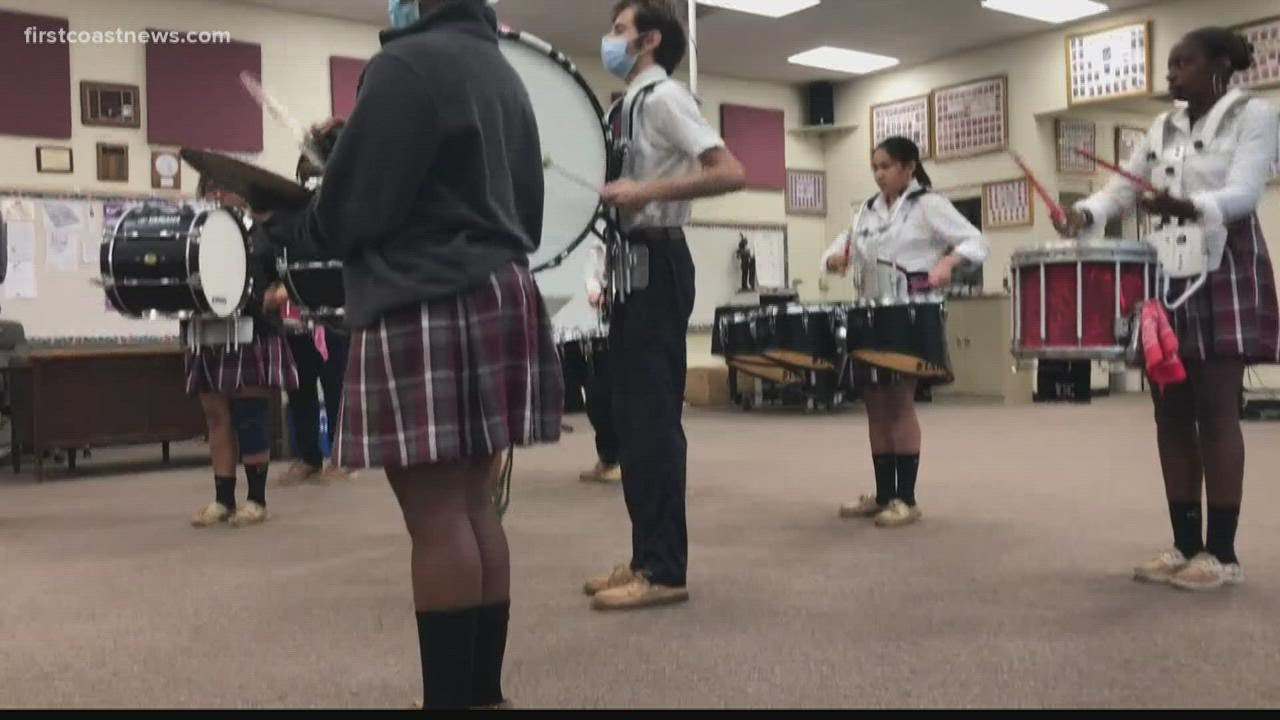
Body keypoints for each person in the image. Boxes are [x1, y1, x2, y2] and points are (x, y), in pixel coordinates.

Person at [263, 0, 561, 708]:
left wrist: (285, 224)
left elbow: (352, 213)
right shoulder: (498, 70)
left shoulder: (405, 63)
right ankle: (481, 696)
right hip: (499, 286)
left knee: (435, 515)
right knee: (473, 504)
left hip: (426, 294)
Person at [1055, 27, 1279, 591]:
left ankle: (1221, 554)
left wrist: (1187, 204)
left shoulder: (1254, 115)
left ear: (1219, 67)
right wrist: (1084, 213)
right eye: (1170, 65)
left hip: (1223, 259)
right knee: (1170, 411)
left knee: (1217, 409)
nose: (1171, 74)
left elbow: (1246, 192)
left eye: (1183, 63)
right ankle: (1184, 544)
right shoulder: (1160, 127)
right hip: (1166, 266)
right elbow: (1121, 191)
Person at [583, 0, 746, 612]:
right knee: (631, 421)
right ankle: (643, 556)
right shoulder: (623, 107)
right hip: (629, 263)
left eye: (619, 30)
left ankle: (665, 569)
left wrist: (647, 190)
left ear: (649, 40)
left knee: (653, 420)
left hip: (659, 259)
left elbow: (729, 171)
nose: (610, 39)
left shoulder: (665, 99)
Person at [820, 136, 988, 528]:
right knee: (874, 403)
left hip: (909, 312)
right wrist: (834, 259)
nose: (879, 174)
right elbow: (843, 245)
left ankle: (906, 498)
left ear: (908, 168)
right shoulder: (867, 210)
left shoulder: (928, 204)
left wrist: (948, 263)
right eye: (874, 167)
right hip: (870, 311)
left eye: (886, 166)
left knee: (898, 401)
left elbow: (976, 240)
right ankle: (883, 494)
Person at [187, 176, 299, 528]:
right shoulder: (195, 236)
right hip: (207, 334)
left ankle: (256, 500)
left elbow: (290, 279)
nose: (218, 195)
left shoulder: (263, 235)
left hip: (253, 333)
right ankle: (223, 499)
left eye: (225, 188)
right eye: (210, 189)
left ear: (242, 194)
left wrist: (273, 298)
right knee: (215, 418)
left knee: (250, 416)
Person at [278, 146, 352, 486]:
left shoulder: (343, 211)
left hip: (335, 317)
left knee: (336, 388)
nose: (312, 180)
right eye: (306, 174)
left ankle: (342, 456)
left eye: (317, 172)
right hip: (297, 318)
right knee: (300, 389)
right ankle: (308, 456)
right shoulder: (292, 215)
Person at [578, 237, 621, 484]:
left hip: (630, 324)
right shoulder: (599, 240)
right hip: (603, 327)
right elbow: (592, 270)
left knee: (614, 394)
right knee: (596, 395)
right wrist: (595, 290)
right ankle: (609, 458)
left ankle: (617, 459)